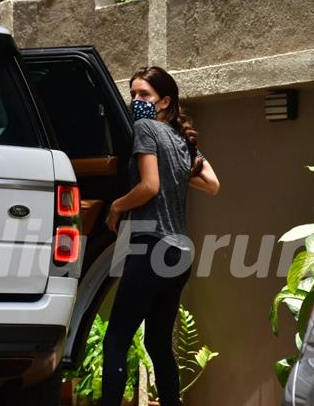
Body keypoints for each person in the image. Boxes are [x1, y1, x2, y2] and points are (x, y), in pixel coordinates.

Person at [103, 66, 220, 406]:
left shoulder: (145, 128)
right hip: (180, 252)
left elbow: (149, 187)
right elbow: (213, 184)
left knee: (116, 340)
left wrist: (117, 206)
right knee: (157, 343)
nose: (136, 101)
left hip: (151, 245)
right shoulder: (180, 139)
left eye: (145, 95)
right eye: (134, 94)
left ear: (165, 101)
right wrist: (179, 173)